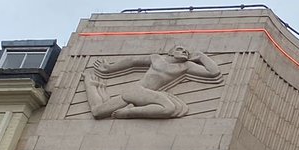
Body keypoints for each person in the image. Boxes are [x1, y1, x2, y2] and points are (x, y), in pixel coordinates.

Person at [84, 45, 222, 119]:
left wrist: (202, 56)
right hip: (137, 91)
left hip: (146, 95)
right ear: (171, 52)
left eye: (186, 51)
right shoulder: (157, 58)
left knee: (98, 111)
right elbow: (132, 62)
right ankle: (129, 112)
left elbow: (213, 72)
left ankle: (95, 87)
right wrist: (110, 68)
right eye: (180, 49)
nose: (184, 51)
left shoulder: (186, 66)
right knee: (169, 108)